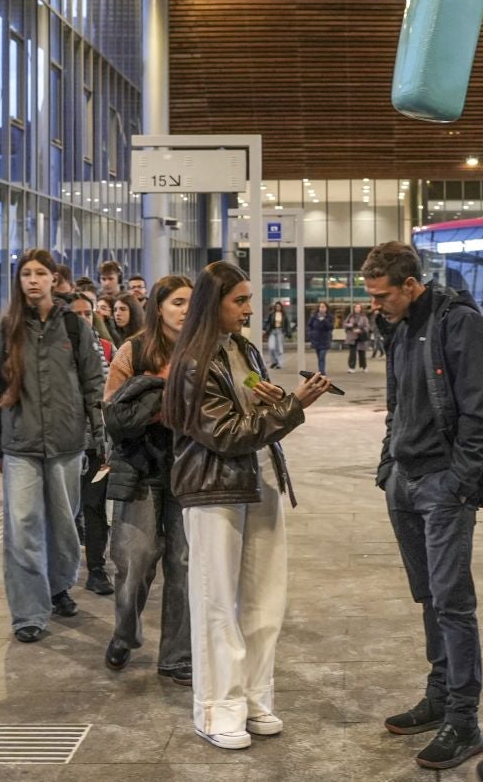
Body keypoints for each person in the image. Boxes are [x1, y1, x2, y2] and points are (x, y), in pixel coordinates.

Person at [164, 261, 331, 751]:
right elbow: (226, 434)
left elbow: (248, 414)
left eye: (247, 299)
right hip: (213, 488)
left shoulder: (242, 349)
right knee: (217, 603)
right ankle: (216, 709)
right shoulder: (193, 361)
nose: (248, 308)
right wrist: (292, 405)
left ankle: (254, 698)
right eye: (239, 300)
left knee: (264, 603)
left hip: (258, 483)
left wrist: (271, 399)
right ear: (212, 304)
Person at [365, 239, 483, 772]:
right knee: (430, 597)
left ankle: (464, 719)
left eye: (383, 295)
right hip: (404, 482)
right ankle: (438, 696)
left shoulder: (461, 324)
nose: (375, 304)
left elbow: (482, 411)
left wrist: (458, 481)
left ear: (411, 284)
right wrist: (388, 465)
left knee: (453, 602)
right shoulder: (400, 327)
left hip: (442, 486)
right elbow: (397, 403)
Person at [0, 248, 106, 642]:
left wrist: (100, 439)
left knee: (64, 526)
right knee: (23, 527)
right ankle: (28, 613)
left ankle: (58, 587)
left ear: (55, 279)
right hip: (20, 444)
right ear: (19, 282)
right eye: (25, 274)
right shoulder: (5, 330)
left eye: (40, 273)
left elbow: (93, 386)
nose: (32, 280)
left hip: (68, 442)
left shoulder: (74, 327)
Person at [102, 274, 194, 683]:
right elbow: (111, 412)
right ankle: (125, 632)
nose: (185, 309)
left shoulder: (204, 352)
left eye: (191, 302)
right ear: (158, 306)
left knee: (184, 564)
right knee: (134, 562)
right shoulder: (133, 350)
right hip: (139, 468)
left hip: (190, 470)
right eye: (177, 302)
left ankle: (176, 656)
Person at [63, 287, 116, 596]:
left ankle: (97, 569)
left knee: (95, 506)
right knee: (67, 510)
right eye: (77, 314)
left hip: (97, 441)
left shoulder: (107, 348)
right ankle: (61, 577)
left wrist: (107, 441)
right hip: (66, 442)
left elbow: (108, 398)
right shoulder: (57, 350)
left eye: (88, 313)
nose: (83, 319)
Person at [305, 301, 333, 375]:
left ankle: (322, 372)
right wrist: (310, 334)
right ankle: (321, 370)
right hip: (316, 339)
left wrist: (324, 320)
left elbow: (330, 327)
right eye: (321, 307)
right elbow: (309, 326)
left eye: (324, 307)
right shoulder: (314, 316)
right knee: (319, 356)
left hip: (325, 340)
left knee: (322, 357)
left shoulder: (329, 316)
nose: (322, 308)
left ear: (326, 308)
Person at [343, 303, 371, 371]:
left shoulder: (364, 317)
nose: (357, 309)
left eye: (358, 308)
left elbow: (367, 327)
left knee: (362, 353)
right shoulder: (350, 316)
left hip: (361, 337)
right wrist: (350, 325)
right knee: (352, 353)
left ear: (361, 309)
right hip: (352, 337)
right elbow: (344, 324)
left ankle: (364, 366)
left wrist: (361, 330)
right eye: (356, 308)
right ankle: (351, 367)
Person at [263, 300, 287, 370]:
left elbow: (287, 324)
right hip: (272, 331)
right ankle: (274, 361)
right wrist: (264, 329)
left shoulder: (284, 314)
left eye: (279, 306)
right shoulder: (271, 314)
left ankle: (279, 363)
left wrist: (288, 332)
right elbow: (267, 321)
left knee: (279, 348)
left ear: (281, 307)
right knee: (271, 347)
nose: (278, 307)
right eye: (276, 306)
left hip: (280, 331)